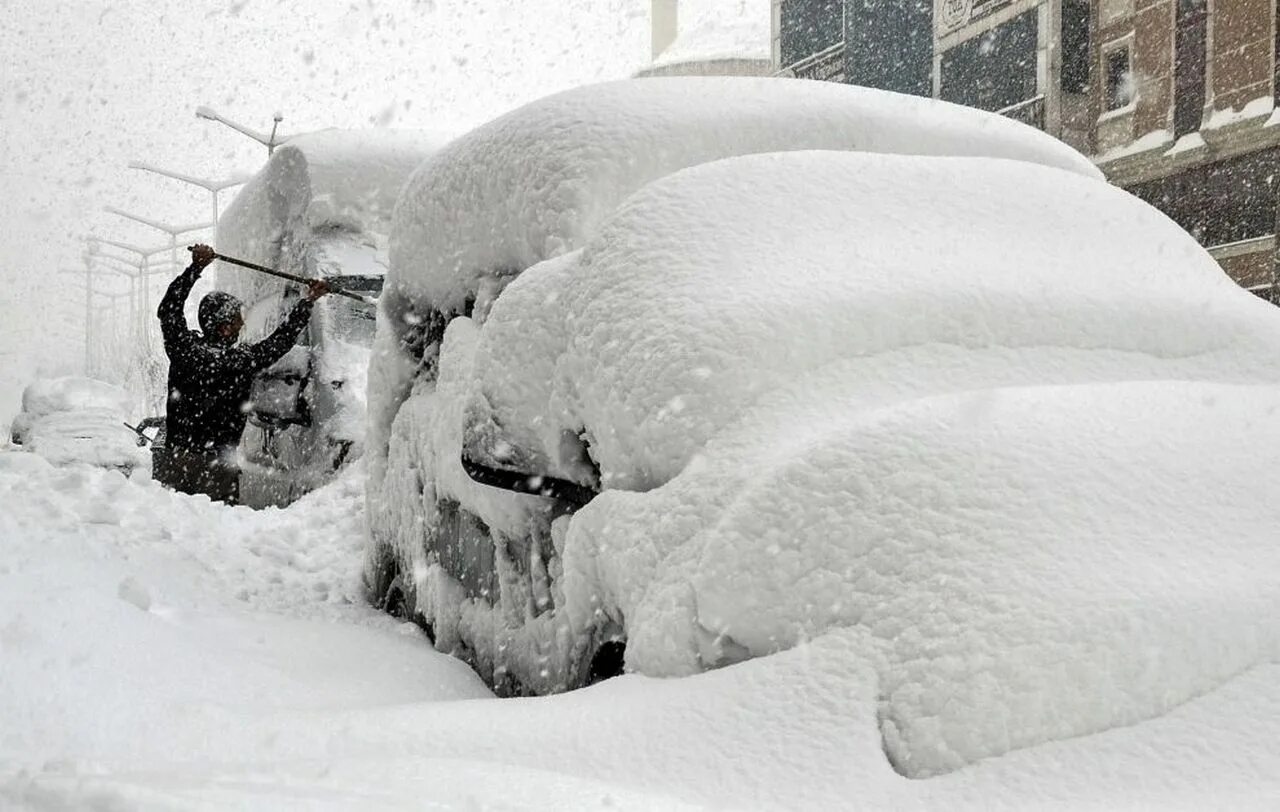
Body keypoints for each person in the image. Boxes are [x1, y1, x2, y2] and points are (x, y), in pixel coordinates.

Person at [153, 243, 329, 504]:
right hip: (215, 470)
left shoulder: (184, 349)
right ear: (223, 326)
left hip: (176, 462)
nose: (242, 324)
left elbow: (168, 310)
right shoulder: (239, 360)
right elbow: (280, 341)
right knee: (214, 535)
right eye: (236, 319)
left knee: (176, 532)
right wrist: (308, 302)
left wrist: (195, 268)